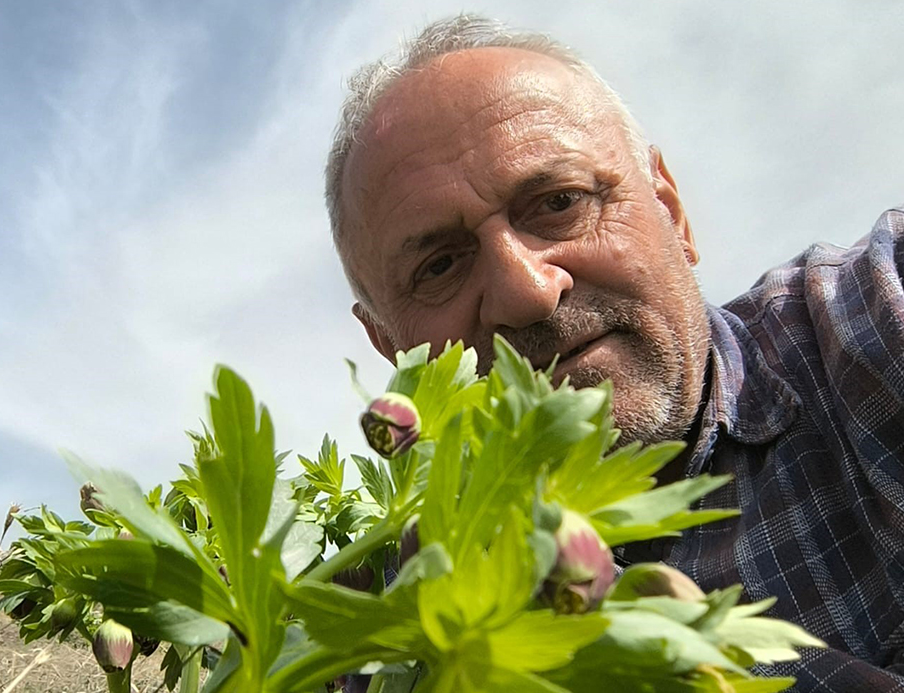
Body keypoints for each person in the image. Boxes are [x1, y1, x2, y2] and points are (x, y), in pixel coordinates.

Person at [326, 14, 903, 692]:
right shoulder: (385, 633)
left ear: (672, 211)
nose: (527, 293)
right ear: (392, 347)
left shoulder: (864, 320)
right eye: (441, 265)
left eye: (559, 202)